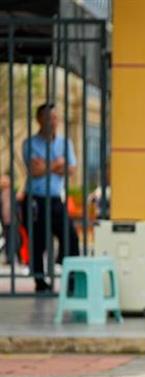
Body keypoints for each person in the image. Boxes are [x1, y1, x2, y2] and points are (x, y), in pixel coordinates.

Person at [21, 103, 80, 292]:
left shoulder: (65, 143)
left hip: (56, 198)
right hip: (36, 199)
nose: (52, 122)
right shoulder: (29, 143)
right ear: (39, 120)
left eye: (55, 118)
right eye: (48, 118)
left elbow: (71, 168)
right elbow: (34, 171)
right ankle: (40, 281)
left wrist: (46, 165)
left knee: (70, 236)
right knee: (38, 240)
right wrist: (57, 164)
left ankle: (71, 278)